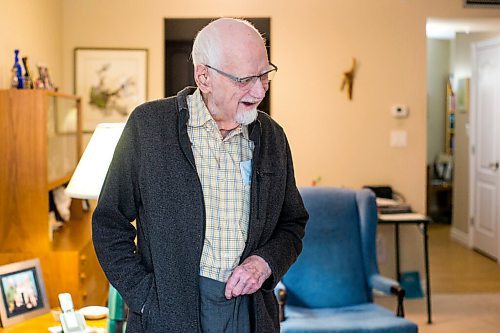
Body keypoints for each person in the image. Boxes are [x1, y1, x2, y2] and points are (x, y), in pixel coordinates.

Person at [92, 17, 308, 333]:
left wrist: (265, 263)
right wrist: (144, 297)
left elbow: (292, 224)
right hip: (168, 314)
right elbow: (109, 224)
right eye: (244, 79)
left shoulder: (273, 137)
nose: (259, 89)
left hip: (249, 313)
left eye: (265, 75)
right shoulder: (149, 126)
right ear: (204, 76)